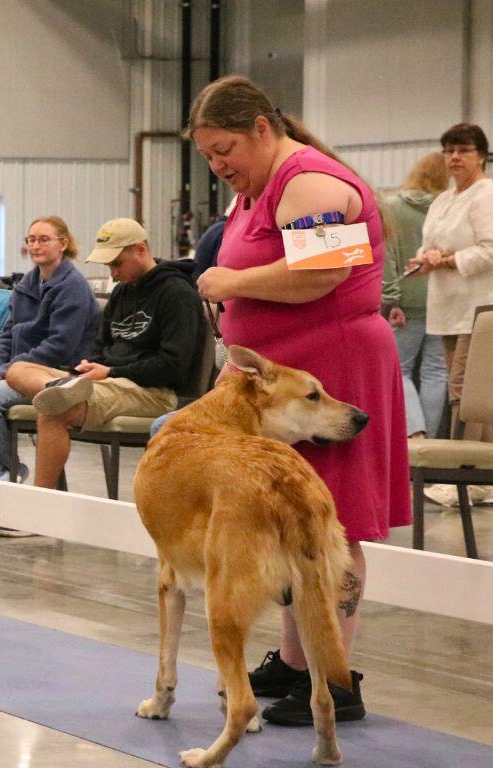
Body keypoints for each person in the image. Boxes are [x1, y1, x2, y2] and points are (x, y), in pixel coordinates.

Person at [189, 74, 410, 726]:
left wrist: (229, 280)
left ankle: (336, 680)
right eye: (207, 155)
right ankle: (295, 661)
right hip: (283, 385)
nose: (217, 164)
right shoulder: (258, 188)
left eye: (224, 148)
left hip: (334, 372)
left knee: (331, 521)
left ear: (262, 128)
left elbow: (326, 270)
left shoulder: (308, 183)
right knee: (286, 521)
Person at [5, 218, 203, 492]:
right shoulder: (121, 293)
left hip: (151, 390)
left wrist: (111, 372)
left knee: (53, 410)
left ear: (140, 250)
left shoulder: (177, 295)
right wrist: (92, 366)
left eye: (117, 263)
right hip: (105, 380)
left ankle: (39, 507)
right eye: (109, 265)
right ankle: (65, 388)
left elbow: (173, 366)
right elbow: (100, 347)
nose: (113, 272)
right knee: (17, 369)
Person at [0, 216, 97, 492]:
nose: (35, 245)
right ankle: (0, 476)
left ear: (63, 244)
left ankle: (10, 477)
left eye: (43, 239)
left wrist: (4, 371)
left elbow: (59, 345)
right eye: (31, 240)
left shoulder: (72, 286)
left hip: (54, 374)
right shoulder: (26, 284)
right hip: (16, 371)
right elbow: (7, 333)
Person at [407, 124, 493, 507]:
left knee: (470, 394)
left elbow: (490, 249)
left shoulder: (486, 195)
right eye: (448, 151)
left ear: (482, 156)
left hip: (478, 308)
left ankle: (469, 476)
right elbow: (432, 246)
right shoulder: (443, 200)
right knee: (463, 394)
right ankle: (477, 477)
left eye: (463, 150)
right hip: (445, 308)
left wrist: (448, 260)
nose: (454, 157)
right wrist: (426, 260)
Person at [382, 152, 449, 440]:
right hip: (443, 300)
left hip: (406, 301)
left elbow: (389, 256)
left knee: (401, 369)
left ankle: (414, 434)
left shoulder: (394, 207)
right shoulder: (447, 209)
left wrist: (390, 299)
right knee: (436, 372)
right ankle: (432, 443)